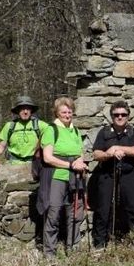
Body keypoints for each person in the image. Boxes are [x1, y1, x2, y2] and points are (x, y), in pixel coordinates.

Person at [38, 97, 88, 256]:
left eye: (69, 111)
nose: (67, 115)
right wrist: (71, 165)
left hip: (76, 179)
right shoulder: (51, 129)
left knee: (74, 215)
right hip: (56, 177)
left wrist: (80, 163)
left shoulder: (76, 130)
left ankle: (73, 249)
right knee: (53, 214)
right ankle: (50, 253)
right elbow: (47, 157)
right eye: (63, 112)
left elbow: (80, 154)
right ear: (57, 113)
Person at [91, 102, 134, 247]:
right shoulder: (104, 132)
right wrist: (108, 154)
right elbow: (96, 153)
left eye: (123, 114)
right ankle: (100, 243)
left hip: (129, 173)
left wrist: (116, 148)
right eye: (116, 115)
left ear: (128, 116)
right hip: (107, 173)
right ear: (111, 116)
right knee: (103, 209)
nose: (120, 117)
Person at [0, 95, 42, 164]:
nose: (25, 112)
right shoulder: (10, 126)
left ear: (31, 110)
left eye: (28, 109)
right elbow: (1, 146)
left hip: (34, 164)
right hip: (12, 165)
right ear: (17, 110)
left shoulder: (40, 125)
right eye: (22, 109)